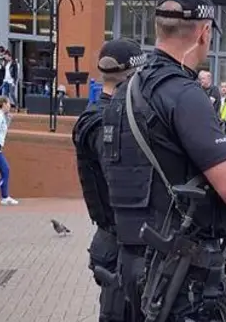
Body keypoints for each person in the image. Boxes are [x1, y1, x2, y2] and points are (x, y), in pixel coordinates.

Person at [102, 0, 226, 321]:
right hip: (181, 275)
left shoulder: (124, 93)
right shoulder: (184, 94)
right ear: (204, 33)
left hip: (131, 264)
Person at [72, 38, 146, 322]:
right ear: (133, 75)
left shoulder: (106, 116)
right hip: (119, 246)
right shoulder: (102, 122)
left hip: (119, 244)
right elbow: (121, 174)